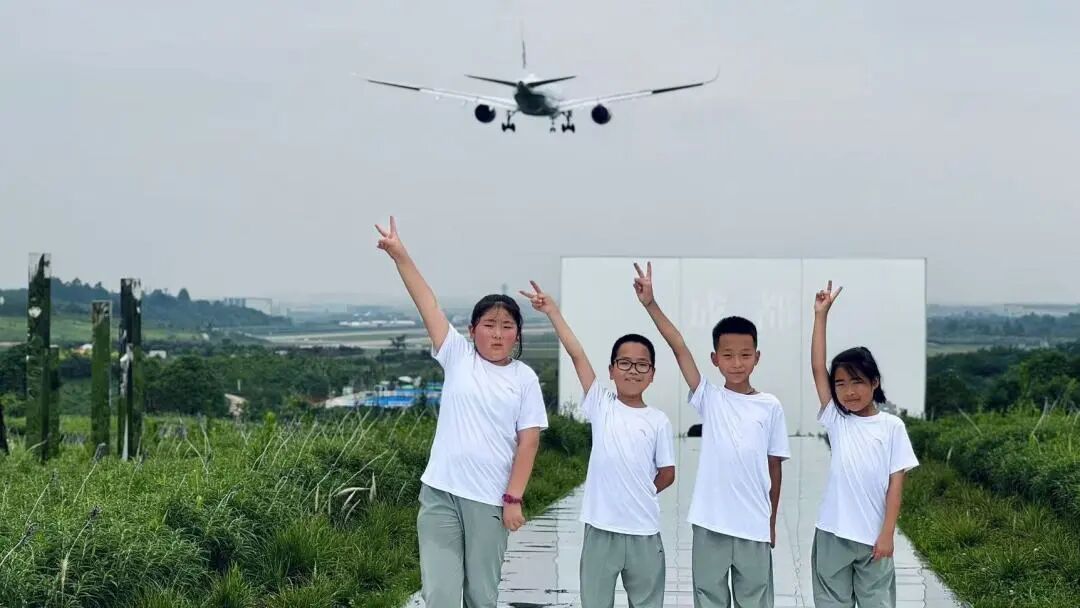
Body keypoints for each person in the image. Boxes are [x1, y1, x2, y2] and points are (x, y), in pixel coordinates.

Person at [375, 216, 548, 608]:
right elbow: (428, 303)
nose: (498, 333)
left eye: (507, 326)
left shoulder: (524, 379)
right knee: (440, 594)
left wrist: (514, 498)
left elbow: (529, 442)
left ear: (517, 334)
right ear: (473, 330)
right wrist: (400, 254)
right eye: (489, 325)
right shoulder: (457, 356)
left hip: (489, 500)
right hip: (440, 493)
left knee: (481, 596)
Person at [635, 261, 790, 608]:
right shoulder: (710, 398)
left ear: (757, 357)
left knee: (756, 600)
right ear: (715, 358)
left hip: (753, 525)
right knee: (709, 598)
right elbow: (679, 347)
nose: (737, 363)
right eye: (728, 355)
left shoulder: (770, 406)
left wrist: (771, 522)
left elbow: (775, 468)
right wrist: (651, 304)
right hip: (710, 523)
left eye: (745, 355)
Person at [520, 279, 675, 608]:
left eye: (642, 364)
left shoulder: (658, 420)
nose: (633, 371)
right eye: (624, 363)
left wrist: (636, 490)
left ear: (652, 373)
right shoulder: (601, 404)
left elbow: (667, 473)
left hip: (644, 532)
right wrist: (552, 312)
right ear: (611, 370)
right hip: (601, 530)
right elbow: (577, 354)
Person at [810, 281, 919, 608]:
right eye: (840, 383)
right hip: (832, 534)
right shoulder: (837, 420)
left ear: (874, 382)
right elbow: (817, 367)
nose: (849, 391)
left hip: (874, 539)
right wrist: (820, 316)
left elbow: (895, 487)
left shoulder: (892, 427)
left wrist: (887, 533)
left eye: (857, 381)